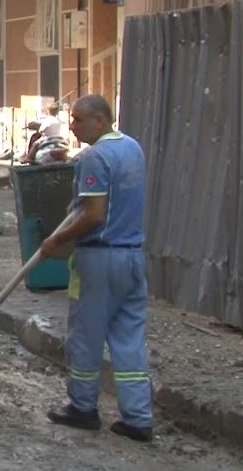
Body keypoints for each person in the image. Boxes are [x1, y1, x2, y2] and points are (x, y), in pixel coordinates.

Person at [37, 94, 153, 443]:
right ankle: (138, 418)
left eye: (78, 119)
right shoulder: (132, 148)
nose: (71, 126)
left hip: (101, 257)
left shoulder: (95, 157)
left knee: (86, 336)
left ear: (100, 121)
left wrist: (56, 241)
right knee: (129, 338)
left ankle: (83, 408)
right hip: (133, 255)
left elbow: (92, 214)